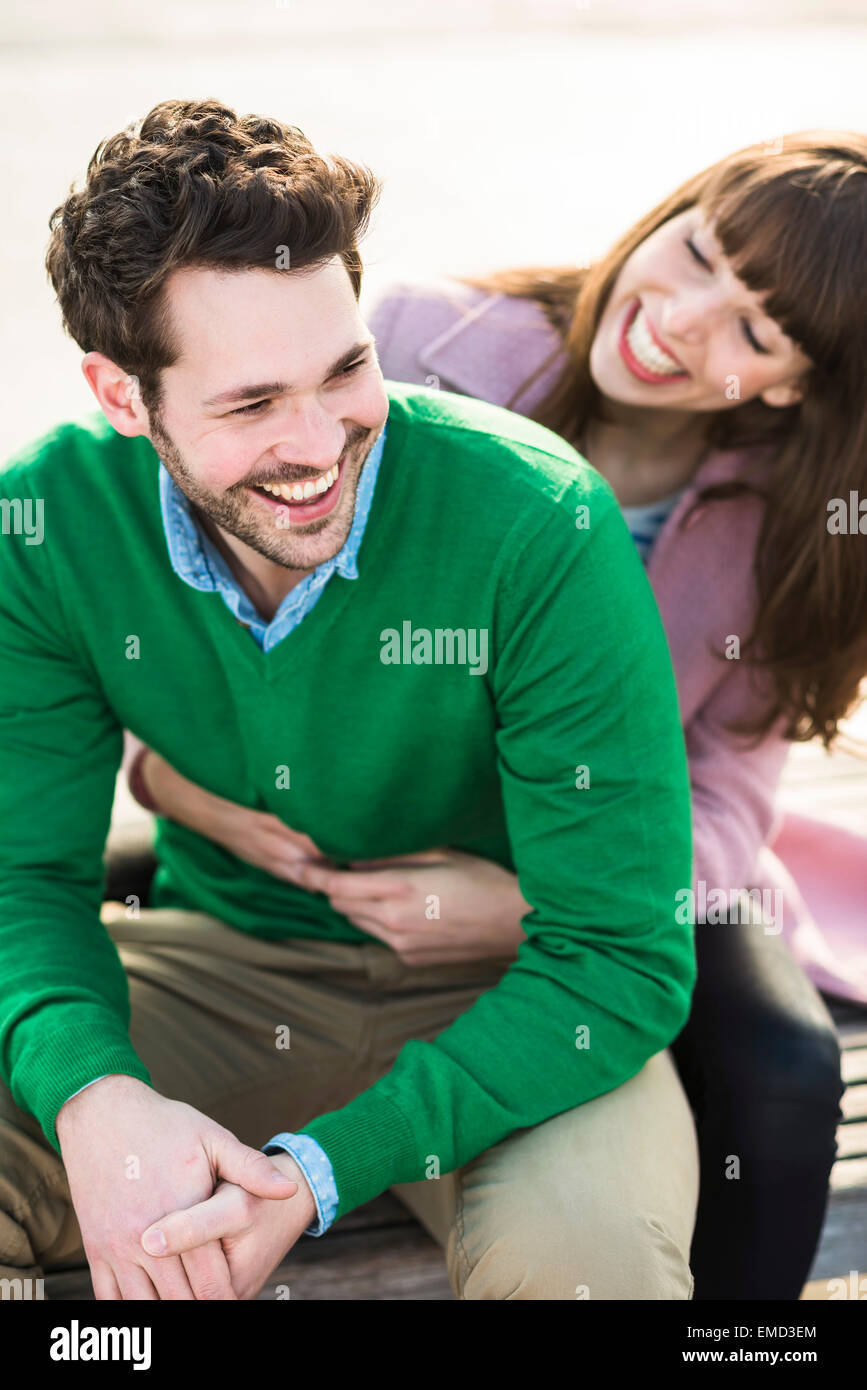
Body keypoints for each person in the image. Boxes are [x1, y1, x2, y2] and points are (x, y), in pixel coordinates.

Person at [129, 131, 867, 1299]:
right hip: (332, 809)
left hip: (594, 861)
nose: (679, 315)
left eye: (754, 330)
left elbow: (727, 782)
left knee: (781, 1067)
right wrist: (166, 778)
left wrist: (537, 907)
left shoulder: (792, 529)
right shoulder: (414, 344)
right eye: (696, 252)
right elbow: (190, 578)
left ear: (795, 383)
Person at [0, 98, 699, 1302]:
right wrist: (95, 1093)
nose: (322, 440)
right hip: (214, 967)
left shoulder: (540, 520)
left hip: (518, 995)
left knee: (591, 1279)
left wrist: (316, 1173)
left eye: (346, 369)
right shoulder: (48, 522)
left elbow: (618, 958)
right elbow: (27, 876)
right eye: (252, 403)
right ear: (125, 397)